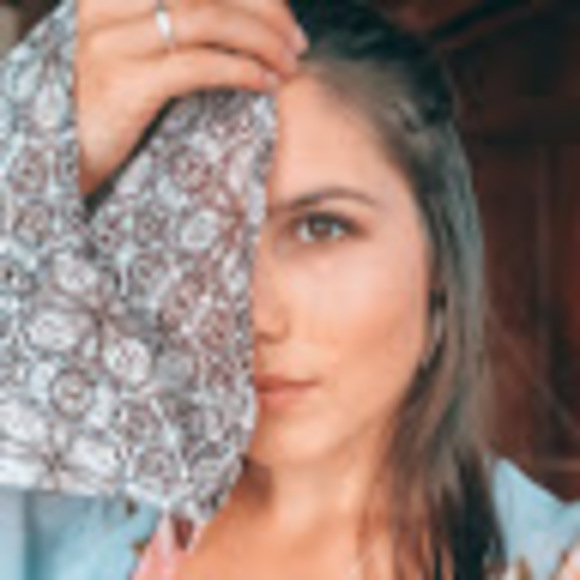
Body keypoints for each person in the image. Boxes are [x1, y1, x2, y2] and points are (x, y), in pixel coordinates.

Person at [0, 0, 579, 578]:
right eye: (198, 242)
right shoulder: (37, 530)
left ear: (439, 257)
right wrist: (27, 178)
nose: (254, 317)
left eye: (320, 227)